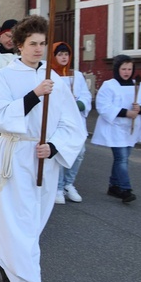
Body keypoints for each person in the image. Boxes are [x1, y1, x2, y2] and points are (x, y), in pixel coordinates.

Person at [0, 15, 86, 282]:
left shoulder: (55, 78)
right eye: (33, 44)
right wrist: (34, 95)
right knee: (22, 224)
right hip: (16, 155)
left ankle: (6, 258)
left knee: (34, 222)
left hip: (44, 158)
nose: (39, 50)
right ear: (19, 45)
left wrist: (53, 147)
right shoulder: (3, 78)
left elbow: (71, 123)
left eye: (43, 43)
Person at [91, 54, 141, 203]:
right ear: (117, 69)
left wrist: (140, 109)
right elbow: (103, 106)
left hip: (132, 129)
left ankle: (114, 186)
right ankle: (126, 189)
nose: (126, 72)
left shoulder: (139, 86)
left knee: (122, 158)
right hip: (115, 128)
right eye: (123, 68)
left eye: (129, 69)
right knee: (122, 159)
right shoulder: (109, 85)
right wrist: (126, 113)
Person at [50, 42, 91, 204]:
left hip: (76, 121)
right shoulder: (51, 75)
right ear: (53, 57)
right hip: (59, 121)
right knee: (60, 152)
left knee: (79, 152)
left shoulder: (77, 75)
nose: (63, 57)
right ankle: (58, 187)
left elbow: (85, 96)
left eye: (66, 54)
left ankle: (69, 183)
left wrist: (78, 104)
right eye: (60, 54)